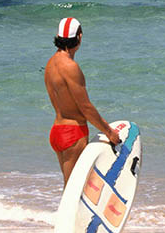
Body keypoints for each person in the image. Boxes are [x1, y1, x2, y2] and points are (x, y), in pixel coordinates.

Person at [45, 18, 121, 186]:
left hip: (57, 131)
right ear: (79, 37)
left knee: (71, 187)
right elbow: (85, 107)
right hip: (73, 133)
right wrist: (109, 132)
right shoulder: (70, 66)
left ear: (58, 36)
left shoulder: (50, 63)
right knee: (75, 188)